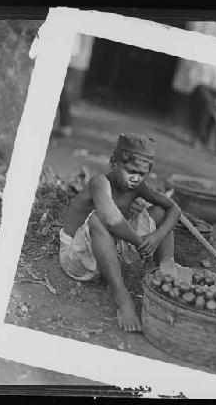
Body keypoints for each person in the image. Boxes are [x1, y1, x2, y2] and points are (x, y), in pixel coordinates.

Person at [59, 134, 182, 331]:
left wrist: (156, 237)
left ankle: (167, 267)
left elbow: (174, 209)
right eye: (131, 171)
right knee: (98, 219)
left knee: (161, 212)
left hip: (110, 248)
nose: (136, 179)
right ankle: (122, 298)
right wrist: (140, 242)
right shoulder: (99, 182)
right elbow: (111, 220)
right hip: (77, 256)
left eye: (142, 174)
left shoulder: (137, 186)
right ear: (113, 163)